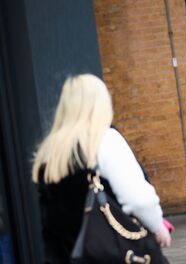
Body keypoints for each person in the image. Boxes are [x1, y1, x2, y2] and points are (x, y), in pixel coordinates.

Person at [32, 74, 171, 263]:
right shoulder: (104, 140)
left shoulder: (49, 153)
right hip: (108, 253)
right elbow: (139, 200)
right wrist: (157, 227)